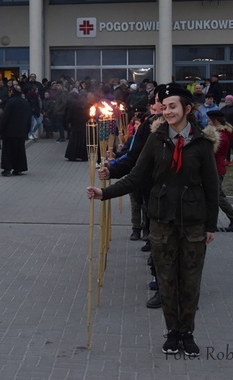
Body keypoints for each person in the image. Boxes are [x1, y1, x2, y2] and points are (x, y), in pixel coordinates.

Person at [87, 83, 218, 357]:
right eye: (165, 106)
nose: (167, 111)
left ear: (187, 109)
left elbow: (211, 187)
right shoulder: (155, 139)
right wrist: (105, 192)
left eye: (173, 106)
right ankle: (172, 333)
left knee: (190, 281)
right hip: (161, 219)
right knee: (167, 280)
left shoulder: (203, 144)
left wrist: (211, 225)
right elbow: (137, 176)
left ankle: (188, 332)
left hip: (193, 221)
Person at [206, 110, 233, 231]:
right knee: (217, 195)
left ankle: (232, 219)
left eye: (209, 120)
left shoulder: (220, 136)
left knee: (216, 196)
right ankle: (232, 219)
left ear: (215, 121)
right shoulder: (220, 133)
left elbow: (211, 152)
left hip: (216, 169)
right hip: (216, 168)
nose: (207, 122)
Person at [0, 85, 32, 176]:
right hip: (21, 131)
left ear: (13, 92)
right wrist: (27, 130)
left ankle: (7, 168)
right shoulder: (26, 103)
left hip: (9, 131)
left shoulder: (10, 102)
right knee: (20, 150)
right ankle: (18, 169)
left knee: (8, 151)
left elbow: (5, 117)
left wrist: (1, 129)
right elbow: (29, 118)